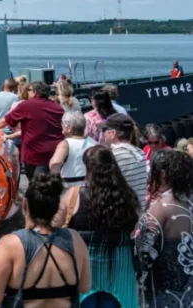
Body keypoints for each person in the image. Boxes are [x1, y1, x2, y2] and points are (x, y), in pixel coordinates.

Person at [0, 173, 91, 307]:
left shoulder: (11, 244)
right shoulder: (75, 239)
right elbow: (84, 287)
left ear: (25, 204)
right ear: (56, 207)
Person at [50, 145, 140, 308]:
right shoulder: (128, 195)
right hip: (120, 264)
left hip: (84, 263)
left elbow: (55, 223)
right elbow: (133, 229)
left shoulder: (75, 194)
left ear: (87, 167)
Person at [135, 149, 193, 305]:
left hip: (163, 288)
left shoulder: (162, 206)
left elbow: (143, 251)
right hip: (188, 285)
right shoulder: (188, 200)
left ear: (162, 174)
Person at [0, 81, 65, 182]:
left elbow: (7, 120)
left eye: (29, 90)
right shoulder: (57, 107)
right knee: (52, 184)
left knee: (37, 185)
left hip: (35, 154)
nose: (27, 92)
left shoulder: (27, 105)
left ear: (35, 92)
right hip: (55, 152)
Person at [97, 113, 148, 209]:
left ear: (113, 134)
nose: (103, 134)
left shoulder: (114, 156)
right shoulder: (140, 153)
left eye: (104, 130)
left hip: (122, 214)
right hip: (140, 212)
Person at [48, 112, 97, 187]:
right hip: (90, 185)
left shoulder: (65, 144)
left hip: (70, 187)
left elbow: (55, 163)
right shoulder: (93, 142)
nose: (61, 126)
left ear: (69, 128)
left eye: (63, 124)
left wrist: (56, 181)